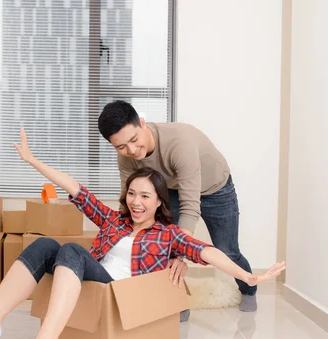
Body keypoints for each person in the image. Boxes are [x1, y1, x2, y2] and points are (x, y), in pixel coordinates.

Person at [0, 128, 285, 339]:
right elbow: (77, 190)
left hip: (118, 292)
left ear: (158, 202)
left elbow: (207, 252)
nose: (136, 202)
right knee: (43, 245)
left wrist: (247, 277)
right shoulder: (114, 220)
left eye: (145, 196)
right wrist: (34, 161)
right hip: (90, 279)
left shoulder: (168, 234)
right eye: (132, 194)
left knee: (71, 250)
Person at [98, 100, 259, 313]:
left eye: (134, 140)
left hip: (216, 188)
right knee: (161, 246)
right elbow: (128, 200)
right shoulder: (126, 157)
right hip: (172, 188)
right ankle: (176, 302)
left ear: (143, 123)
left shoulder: (179, 143)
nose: (132, 150)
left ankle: (248, 290)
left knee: (227, 250)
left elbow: (190, 206)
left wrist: (182, 254)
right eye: (121, 146)